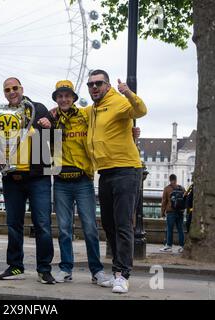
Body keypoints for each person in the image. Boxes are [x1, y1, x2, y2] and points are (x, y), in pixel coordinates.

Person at [37, 80, 110, 286]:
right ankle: (65, 269)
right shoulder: (51, 119)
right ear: (56, 99)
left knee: (89, 228)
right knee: (64, 229)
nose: (64, 99)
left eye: (67, 95)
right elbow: (39, 142)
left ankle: (96, 271)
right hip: (60, 181)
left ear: (74, 98)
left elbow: (104, 127)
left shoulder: (85, 116)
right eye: (60, 96)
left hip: (83, 180)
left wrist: (130, 134)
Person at [84, 69, 147, 294]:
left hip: (127, 170)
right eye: (90, 84)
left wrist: (128, 92)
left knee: (122, 224)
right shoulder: (92, 110)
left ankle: (123, 275)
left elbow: (140, 110)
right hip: (106, 172)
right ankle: (116, 272)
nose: (94, 88)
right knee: (109, 224)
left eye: (98, 83)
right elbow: (74, 114)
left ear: (108, 85)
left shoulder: (118, 102)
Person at [0, 77, 55, 284]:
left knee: (43, 224)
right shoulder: (0, 113)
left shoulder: (38, 108)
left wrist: (49, 125)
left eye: (15, 88)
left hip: (37, 177)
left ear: (22, 89)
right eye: (7, 89)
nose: (11, 92)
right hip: (11, 177)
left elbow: (56, 137)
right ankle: (15, 267)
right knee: (13, 225)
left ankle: (44, 269)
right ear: (4, 93)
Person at [160, 174, 186, 253]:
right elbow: (185, 198)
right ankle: (182, 246)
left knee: (169, 229)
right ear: (176, 179)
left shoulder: (167, 189)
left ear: (170, 180)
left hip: (171, 211)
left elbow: (164, 201)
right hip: (180, 212)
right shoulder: (182, 188)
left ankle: (169, 246)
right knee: (180, 229)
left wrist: (162, 212)